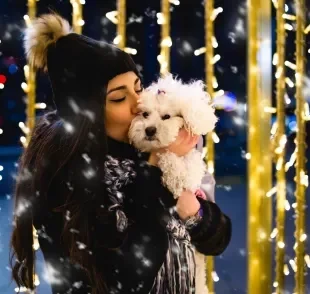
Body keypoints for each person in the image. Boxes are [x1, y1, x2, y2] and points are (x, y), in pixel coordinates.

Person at [9, 13, 231, 294]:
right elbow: (129, 278)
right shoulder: (67, 171)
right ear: (88, 110)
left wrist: (193, 210)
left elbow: (217, 239)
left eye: (138, 88)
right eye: (118, 97)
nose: (138, 104)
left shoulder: (148, 148)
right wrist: (152, 174)